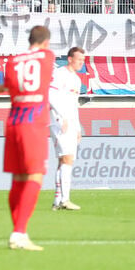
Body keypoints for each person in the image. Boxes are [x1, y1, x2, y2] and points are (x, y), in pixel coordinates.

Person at [0, 25, 55, 251]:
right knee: (35, 176)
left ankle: (18, 232)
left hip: (13, 121)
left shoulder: (13, 60)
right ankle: (19, 232)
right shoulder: (47, 56)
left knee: (17, 178)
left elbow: (10, 85)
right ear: (46, 42)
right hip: (33, 121)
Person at [49, 46, 84, 211]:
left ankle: (58, 201)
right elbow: (51, 96)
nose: (81, 63)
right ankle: (65, 199)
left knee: (64, 160)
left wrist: (77, 127)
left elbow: (74, 106)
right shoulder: (59, 74)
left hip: (71, 122)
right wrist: (59, 118)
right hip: (60, 121)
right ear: (70, 59)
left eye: (83, 60)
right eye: (79, 59)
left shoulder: (77, 79)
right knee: (67, 158)